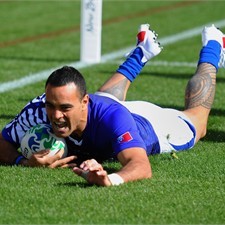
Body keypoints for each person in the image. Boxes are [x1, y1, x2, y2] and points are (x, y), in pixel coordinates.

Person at [0, 23, 224, 187]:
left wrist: (110, 179)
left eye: (65, 108)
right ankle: (142, 51)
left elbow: (141, 166)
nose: (56, 115)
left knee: (198, 122)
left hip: (149, 125)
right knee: (105, 96)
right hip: (105, 107)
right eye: (51, 105)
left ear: (84, 103)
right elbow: (2, 142)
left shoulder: (111, 117)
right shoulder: (38, 111)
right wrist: (23, 162)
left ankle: (213, 45)